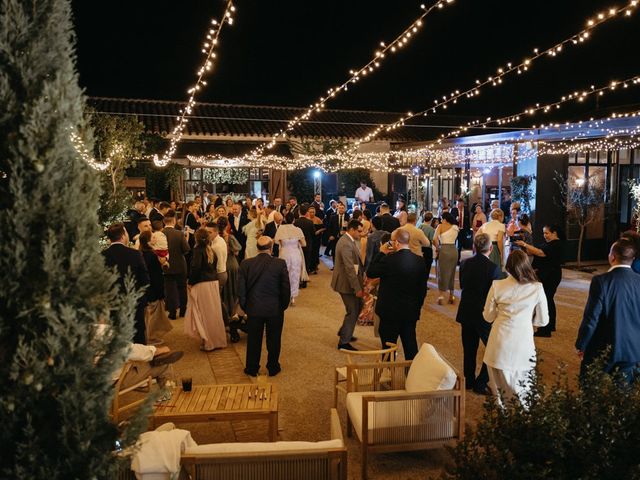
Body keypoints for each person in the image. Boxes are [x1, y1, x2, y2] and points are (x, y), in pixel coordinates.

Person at [483, 250, 549, 406]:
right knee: (524, 388)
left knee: (499, 392)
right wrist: (532, 322)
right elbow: (543, 320)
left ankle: (503, 418)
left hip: (498, 342)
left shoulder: (497, 285)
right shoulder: (537, 288)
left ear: (507, 267)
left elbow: (488, 316)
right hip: (523, 342)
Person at [575, 239, 640, 382]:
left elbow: (592, 318)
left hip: (604, 348)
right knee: (623, 395)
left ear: (612, 257)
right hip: (632, 349)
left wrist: (582, 344)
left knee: (589, 388)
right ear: (632, 259)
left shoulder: (601, 281)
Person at [367, 229, 427, 360]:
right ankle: (412, 376)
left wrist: (381, 253)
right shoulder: (420, 261)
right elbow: (422, 289)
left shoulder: (389, 260)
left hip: (389, 312)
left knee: (388, 349)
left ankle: (390, 376)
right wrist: (417, 307)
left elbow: (370, 272)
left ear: (396, 243)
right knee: (410, 346)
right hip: (410, 311)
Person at [239, 236, 291, 377]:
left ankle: (252, 367)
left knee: (253, 340)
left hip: (254, 307)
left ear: (257, 247)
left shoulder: (245, 264)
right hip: (274, 308)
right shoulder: (279, 263)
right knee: (274, 339)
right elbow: (286, 288)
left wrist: (245, 307)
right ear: (271, 246)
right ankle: (273, 367)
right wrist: (282, 306)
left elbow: (241, 290)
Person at [456, 233, 501, 395]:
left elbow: (462, 285)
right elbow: (495, 294)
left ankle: (469, 380)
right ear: (490, 248)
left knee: (469, 349)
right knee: (492, 348)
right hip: (484, 313)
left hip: (466, 310)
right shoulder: (494, 268)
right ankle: (481, 382)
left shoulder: (465, 263)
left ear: (474, 247)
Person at [103, 223, 150, 344]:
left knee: (117, 334)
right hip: (134, 301)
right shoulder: (135, 254)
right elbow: (145, 280)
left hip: (113, 302)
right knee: (137, 333)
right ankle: (137, 361)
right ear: (123, 235)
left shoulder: (102, 256)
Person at [517, 224, 564, 337]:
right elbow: (532, 252)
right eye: (543, 233)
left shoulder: (557, 244)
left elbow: (540, 253)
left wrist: (524, 244)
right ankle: (550, 325)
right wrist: (523, 245)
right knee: (548, 300)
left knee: (546, 300)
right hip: (546, 275)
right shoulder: (548, 244)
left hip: (551, 275)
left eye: (547, 233)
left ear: (554, 233)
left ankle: (545, 329)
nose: (545, 235)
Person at [185, 228, 227, 351]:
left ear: (196, 239)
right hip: (213, 283)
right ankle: (217, 340)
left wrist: (191, 282)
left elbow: (195, 268)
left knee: (203, 313)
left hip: (202, 284)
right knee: (214, 313)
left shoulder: (198, 250)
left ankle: (208, 341)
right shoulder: (211, 250)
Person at [332, 220, 365, 350]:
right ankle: (343, 342)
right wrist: (357, 288)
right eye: (359, 231)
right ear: (352, 229)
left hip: (347, 281)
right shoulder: (346, 243)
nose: (361, 234)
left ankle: (345, 330)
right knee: (353, 310)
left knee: (357, 306)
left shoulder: (348, 240)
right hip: (346, 283)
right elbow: (349, 268)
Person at [138, 231, 172, 345]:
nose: (155, 238)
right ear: (148, 241)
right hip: (153, 290)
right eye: (152, 237)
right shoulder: (151, 255)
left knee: (150, 315)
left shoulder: (141, 252)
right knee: (154, 317)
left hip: (147, 289)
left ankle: (150, 336)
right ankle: (151, 338)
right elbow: (155, 275)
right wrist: (161, 292)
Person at [162, 210, 190, 320]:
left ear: (164, 222)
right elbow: (186, 249)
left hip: (166, 265)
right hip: (180, 264)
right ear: (174, 221)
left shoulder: (160, 234)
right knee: (182, 288)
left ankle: (172, 312)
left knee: (170, 289)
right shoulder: (179, 234)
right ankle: (183, 310)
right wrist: (186, 238)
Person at [274, 213, 307, 305]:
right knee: (294, 275)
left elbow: (276, 242)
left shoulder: (280, 229)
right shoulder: (298, 230)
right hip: (295, 254)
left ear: (284, 219)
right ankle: (293, 297)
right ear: (293, 220)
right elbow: (304, 244)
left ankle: (284, 295)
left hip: (284, 253)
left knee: (284, 275)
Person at [433, 212, 459, 305]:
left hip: (444, 249)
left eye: (441, 218)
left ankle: (441, 296)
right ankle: (451, 295)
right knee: (452, 273)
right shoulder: (455, 227)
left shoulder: (440, 226)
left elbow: (434, 239)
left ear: (444, 219)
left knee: (442, 272)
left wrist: (437, 248)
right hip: (454, 250)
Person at [294, 205, 316, 277]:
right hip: (308, 244)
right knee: (307, 261)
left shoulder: (295, 222)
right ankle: (306, 277)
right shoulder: (310, 222)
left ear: (299, 212)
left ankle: (299, 276)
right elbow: (313, 233)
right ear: (306, 213)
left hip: (297, 244)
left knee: (298, 261)